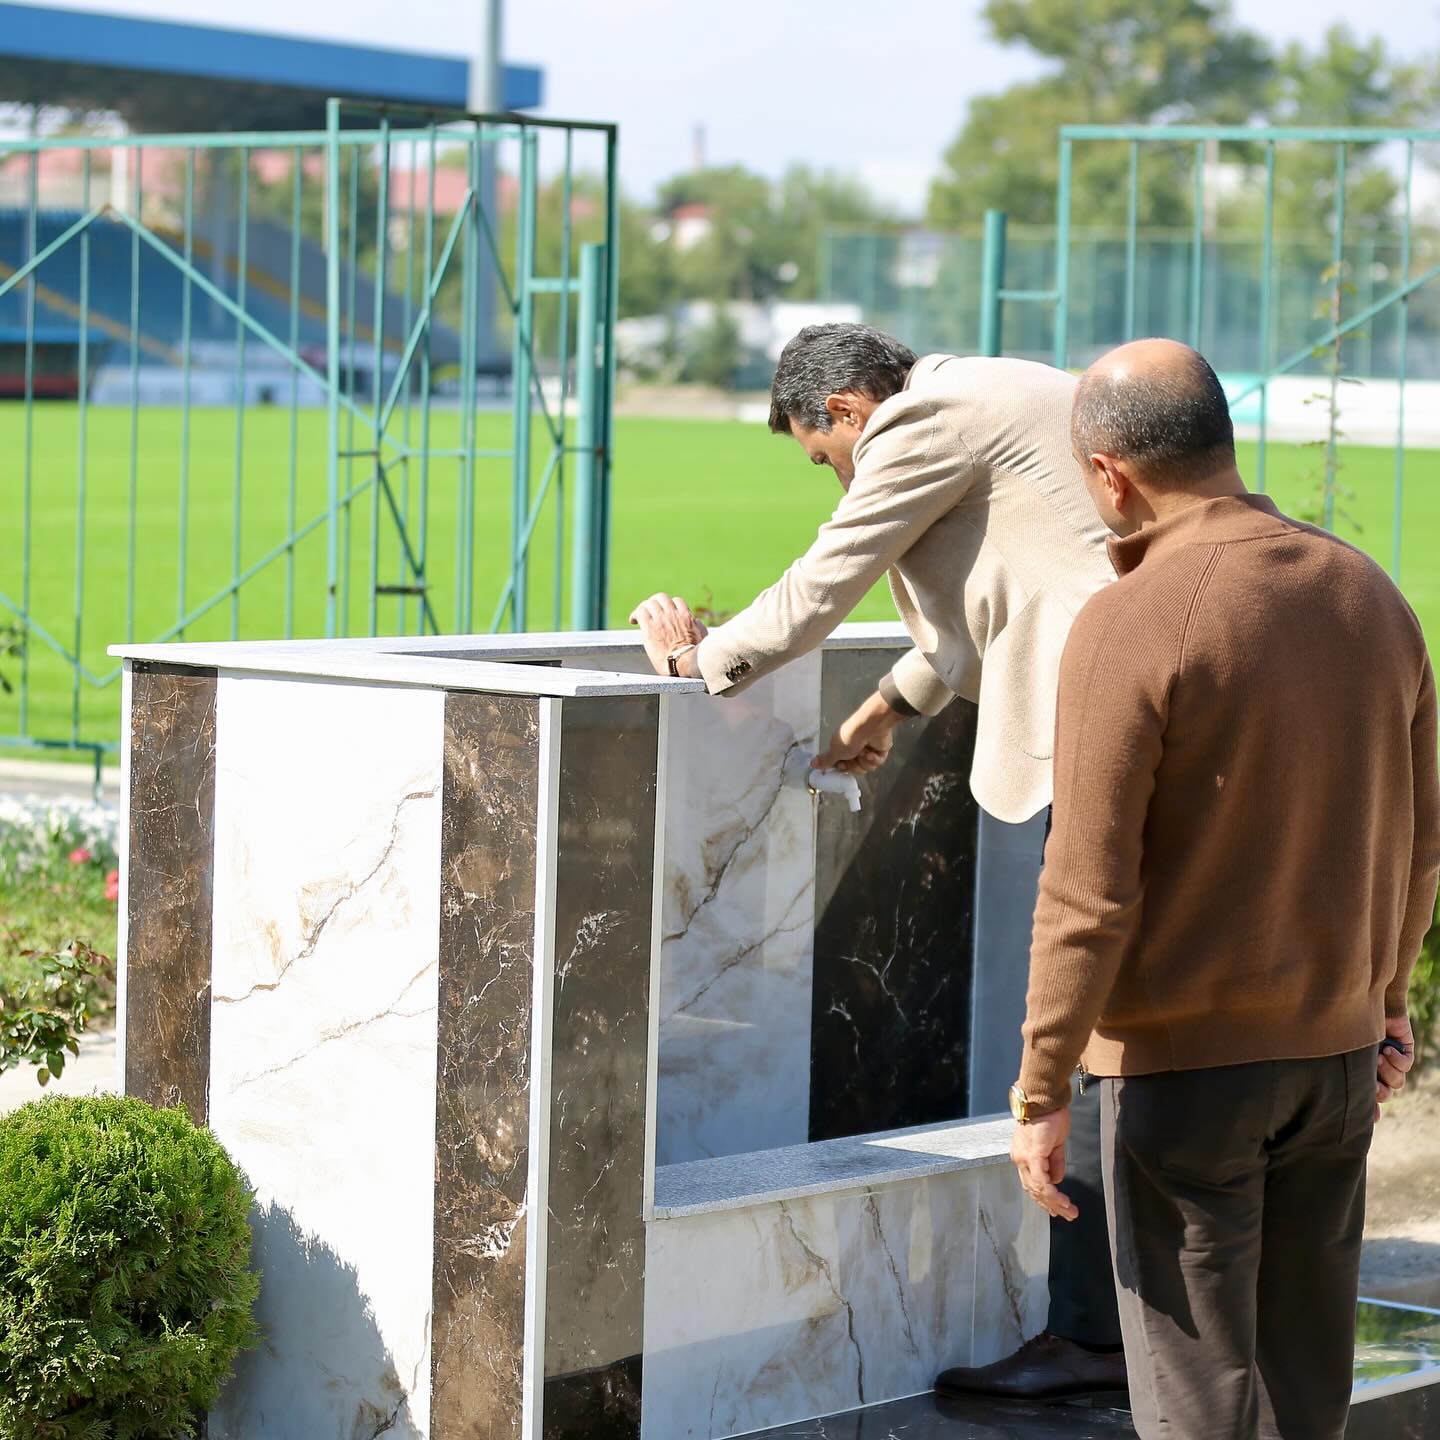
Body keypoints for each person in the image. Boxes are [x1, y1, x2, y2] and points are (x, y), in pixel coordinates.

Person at [629, 322, 1128, 1398]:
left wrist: (695, 659)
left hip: (1102, 726)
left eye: (825, 455)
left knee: (1092, 1022)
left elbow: (825, 582)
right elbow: (983, 610)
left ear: (849, 411)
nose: (836, 477)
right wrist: (886, 709)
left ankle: (1094, 1337)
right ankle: (1143, 1323)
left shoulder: (918, 421)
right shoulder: (990, 395)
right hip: (1142, 702)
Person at [1009, 338, 1440, 1439]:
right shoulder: (1371, 594)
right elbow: (1421, 842)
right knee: (1305, 1389)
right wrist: (1386, 1001)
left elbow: (1086, 886)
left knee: (1196, 1400)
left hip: (1183, 1073)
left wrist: (1042, 1084)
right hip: (1337, 1061)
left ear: (1110, 472)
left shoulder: (1133, 619)